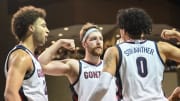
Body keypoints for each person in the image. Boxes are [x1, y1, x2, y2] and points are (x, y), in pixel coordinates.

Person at [88, 8, 180, 101]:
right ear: (143, 29)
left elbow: (103, 86)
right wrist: (177, 35)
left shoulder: (115, 51)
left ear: (123, 30)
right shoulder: (161, 47)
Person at [4, 5, 75, 101]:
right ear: (31, 28)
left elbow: (42, 62)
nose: (47, 30)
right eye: (43, 26)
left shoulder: (30, 57)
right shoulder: (21, 56)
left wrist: (60, 43)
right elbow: (10, 94)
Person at [38, 22, 119, 101]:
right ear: (84, 44)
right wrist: (60, 42)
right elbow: (40, 65)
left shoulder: (111, 65)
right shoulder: (76, 66)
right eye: (93, 39)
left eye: (100, 39)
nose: (98, 42)